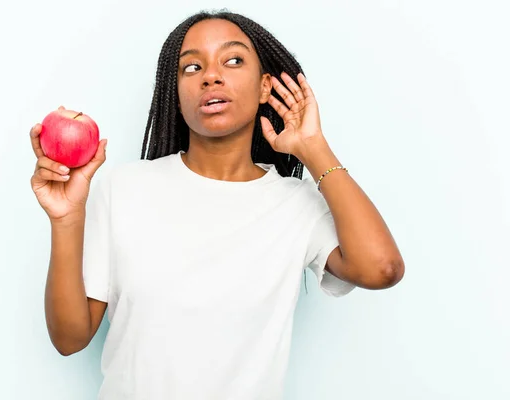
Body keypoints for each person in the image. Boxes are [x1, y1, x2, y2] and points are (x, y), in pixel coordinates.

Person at [30, 10, 404, 400]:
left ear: (265, 88)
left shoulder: (295, 204)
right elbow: (70, 338)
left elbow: (382, 268)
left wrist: (314, 149)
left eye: (233, 60)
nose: (211, 75)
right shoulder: (124, 187)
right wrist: (66, 218)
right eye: (192, 67)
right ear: (175, 92)